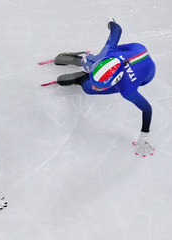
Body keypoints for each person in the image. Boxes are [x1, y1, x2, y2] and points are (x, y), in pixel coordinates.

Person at [52, 19, 155, 156]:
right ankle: (82, 58)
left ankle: (80, 78)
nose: (96, 87)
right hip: (133, 50)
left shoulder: (127, 90)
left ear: (114, 82)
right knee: (94, 61)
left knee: (88, 88)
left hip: (145, 75)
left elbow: (147, 109)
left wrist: (144, 135)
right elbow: (117, 30)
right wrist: (111, 22)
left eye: (99, 86)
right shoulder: (108, 52)